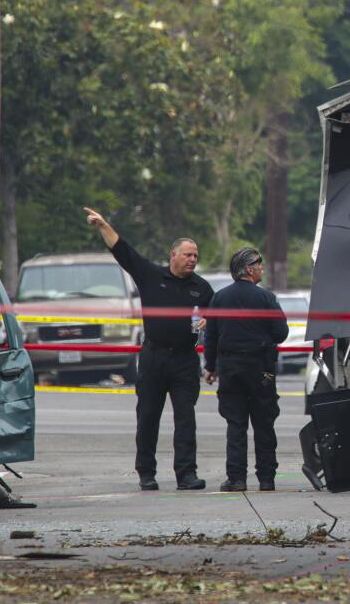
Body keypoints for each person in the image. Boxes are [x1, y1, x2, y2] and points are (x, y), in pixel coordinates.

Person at [84, 207, 214, 492]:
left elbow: (214, 320)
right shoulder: (151, 275)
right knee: (148, 418)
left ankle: (187, 474)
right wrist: (104, 225)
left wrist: (209, 321)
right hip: (154, 357)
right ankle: (146, 472)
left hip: (184, 359)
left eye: (195, 255)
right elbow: (123, 251)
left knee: (186, 419)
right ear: (173, 255)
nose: (193, 259)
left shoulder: (202, 289)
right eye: (188, 254)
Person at [203, 247, 289, 492]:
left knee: (236, 424)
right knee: (264, 423)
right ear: (249, 269)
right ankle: (266, 479)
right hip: (261, 369)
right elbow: (281, 333)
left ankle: (237, 478)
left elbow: (211, 336)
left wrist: (210, 367)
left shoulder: (219, 298)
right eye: (259, 263)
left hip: (230, 370)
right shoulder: (266, 298)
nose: (262, 267)